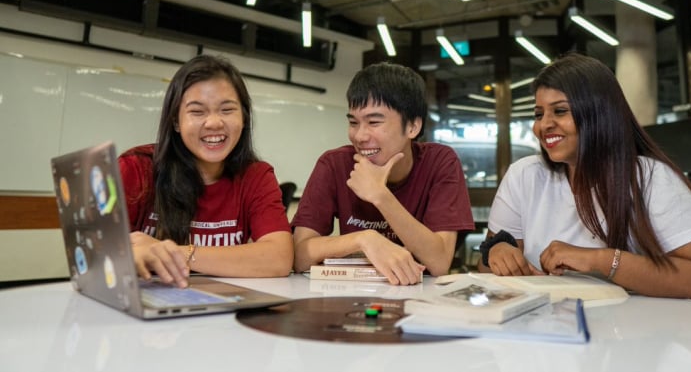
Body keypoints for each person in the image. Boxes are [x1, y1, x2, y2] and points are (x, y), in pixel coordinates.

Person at [478, 53, 691, 304]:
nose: (543, 125)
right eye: (538, 114)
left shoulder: (650, 178)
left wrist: (602, 260)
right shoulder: (523, 175)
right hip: (544, 335)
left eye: (559, 111)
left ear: (598, 114)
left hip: (633, 337)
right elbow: (486, 271)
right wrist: (497, 254)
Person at [291, 62, 475, 285]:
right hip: (354, 296)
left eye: (374, 122)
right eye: (353, 122)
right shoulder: (334, 164)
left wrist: (380, 196)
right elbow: (299, 256)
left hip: (419, 298)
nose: (359, 136)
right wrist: (364, 239)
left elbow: (439, 263)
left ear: (413, 127)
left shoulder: (440, 162)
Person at [119, 54, 293, 288]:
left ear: (244, 118)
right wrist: (128, 256)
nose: (213, 123)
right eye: (197, 111)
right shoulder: (135, 169)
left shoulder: (256, 176)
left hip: (222, 309)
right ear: (176, 122)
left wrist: (178, 254)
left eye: (226, 110)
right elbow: (94, 255)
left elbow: (279, 258)